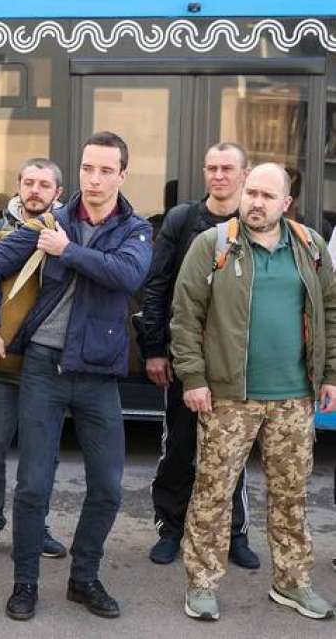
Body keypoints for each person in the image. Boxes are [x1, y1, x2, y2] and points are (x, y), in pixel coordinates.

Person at [0, 132, 152, 621]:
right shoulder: (50, 223)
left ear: (122, 175)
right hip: (43, 369)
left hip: (98, 376)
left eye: (105, 171)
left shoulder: (134, 230)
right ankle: (25, 583)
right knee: (33, 485)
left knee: (108, 488)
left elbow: (126, 276)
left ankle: (83, 578)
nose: (94, 179)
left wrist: (67, 251)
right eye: (88, 168)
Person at [171, 163, 336, 622]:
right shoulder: (214, 245)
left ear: (286, 203)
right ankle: (202, 584)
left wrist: (330, 375)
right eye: (251, 193)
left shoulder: (310, 246)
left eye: (267, 196)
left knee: (291, 497)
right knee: (213, 494)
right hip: (229, 398)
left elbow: (330, 311)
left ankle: (292, 582)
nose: (256, 203)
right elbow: (185, 316)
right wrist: (194, 379)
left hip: (294, 397)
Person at [139, 142, 259, 568]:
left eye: (227, 168)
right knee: (178, 449)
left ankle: (235, 534)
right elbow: (157, 286)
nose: (219, 175)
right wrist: (155, 350)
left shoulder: (256, 222)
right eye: (212, 168)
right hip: (184, 358)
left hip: (239, 361)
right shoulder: (182, 220)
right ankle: (170, 529)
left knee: (235, 452)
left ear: (244, 173)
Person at [0, 157, 68, 561]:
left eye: (44, 184)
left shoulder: (68, 234)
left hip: (49, 368)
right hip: (3, 367)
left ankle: (35, 524)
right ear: (18, 185)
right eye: (29, 183)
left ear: (58, 192)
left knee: (43, 453)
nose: (35, 191)